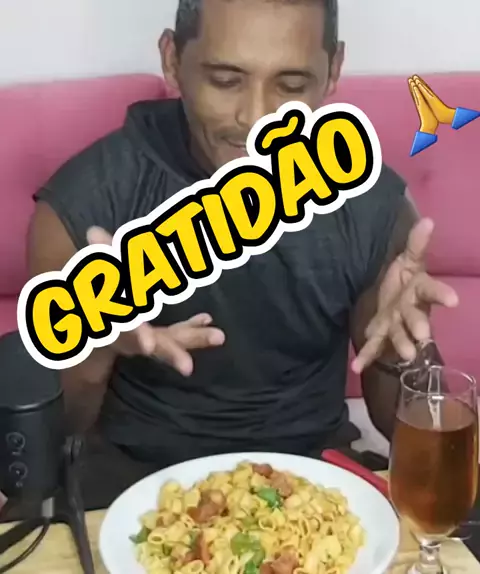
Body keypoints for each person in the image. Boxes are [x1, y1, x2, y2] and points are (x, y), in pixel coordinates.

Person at [26, 0, 457, 507]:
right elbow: (46, 440)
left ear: (333, 70)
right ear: (172, 59)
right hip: (132, 486)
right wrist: (97, 344)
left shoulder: (373, 205)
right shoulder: (87, 203)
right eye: (226, 80)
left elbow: (409, 430)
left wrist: (404, 350)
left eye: (291, 86)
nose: (256, 119)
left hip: (314, 486)